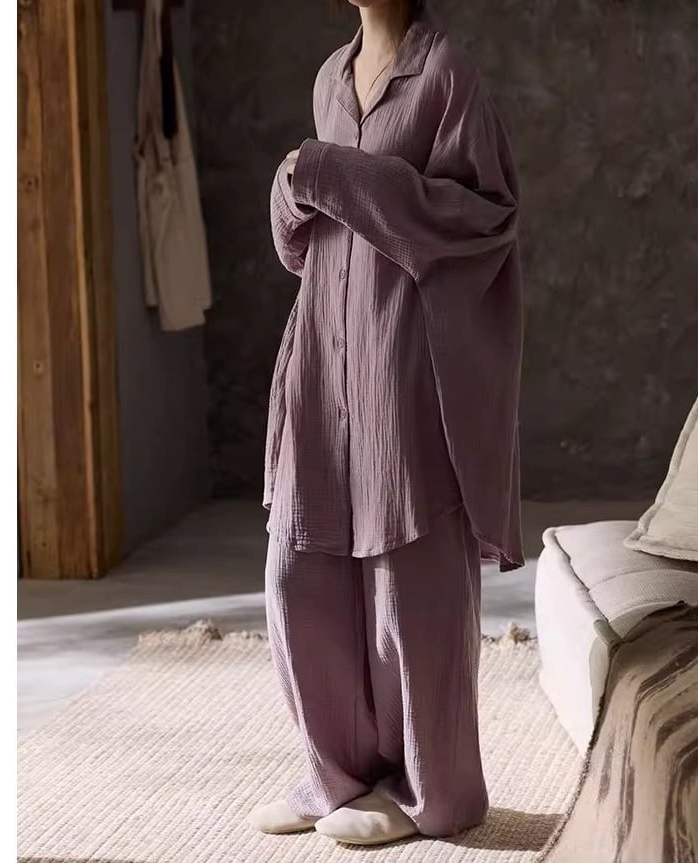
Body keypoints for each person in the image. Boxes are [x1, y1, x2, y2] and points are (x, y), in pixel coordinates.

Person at [248, 0, 524, 847]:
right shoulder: (330, 77)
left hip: (403, 355)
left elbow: (484, 218)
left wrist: (333, 172)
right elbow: (303, 243)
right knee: (298, 570)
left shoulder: (445, 74)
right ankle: (337, 773)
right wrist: (293, 187)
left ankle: (435, 790)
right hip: (321, 352)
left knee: (412, 580)